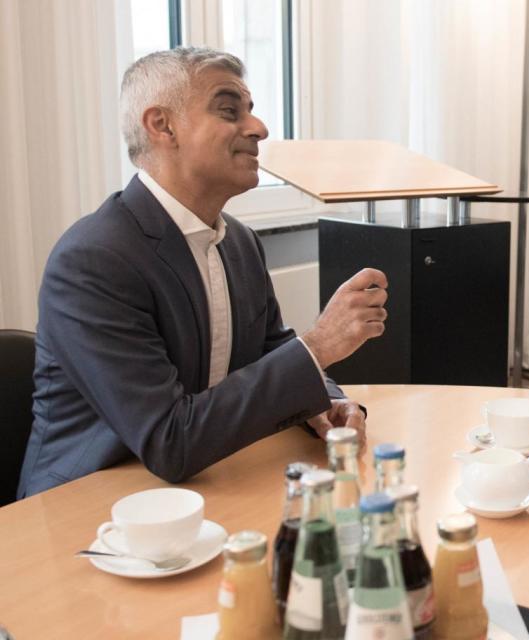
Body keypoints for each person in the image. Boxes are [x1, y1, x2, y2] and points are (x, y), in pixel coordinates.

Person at [18, 47, 388, 497]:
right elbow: (170, 440)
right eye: (230, 110)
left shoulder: (240, 242)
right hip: (85, 512)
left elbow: (271, 348)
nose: (259, 128)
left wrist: (327, 399)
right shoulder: (92, 261)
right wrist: (320, 345)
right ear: (162, 126)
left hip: (199, 488)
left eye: (250, 111)